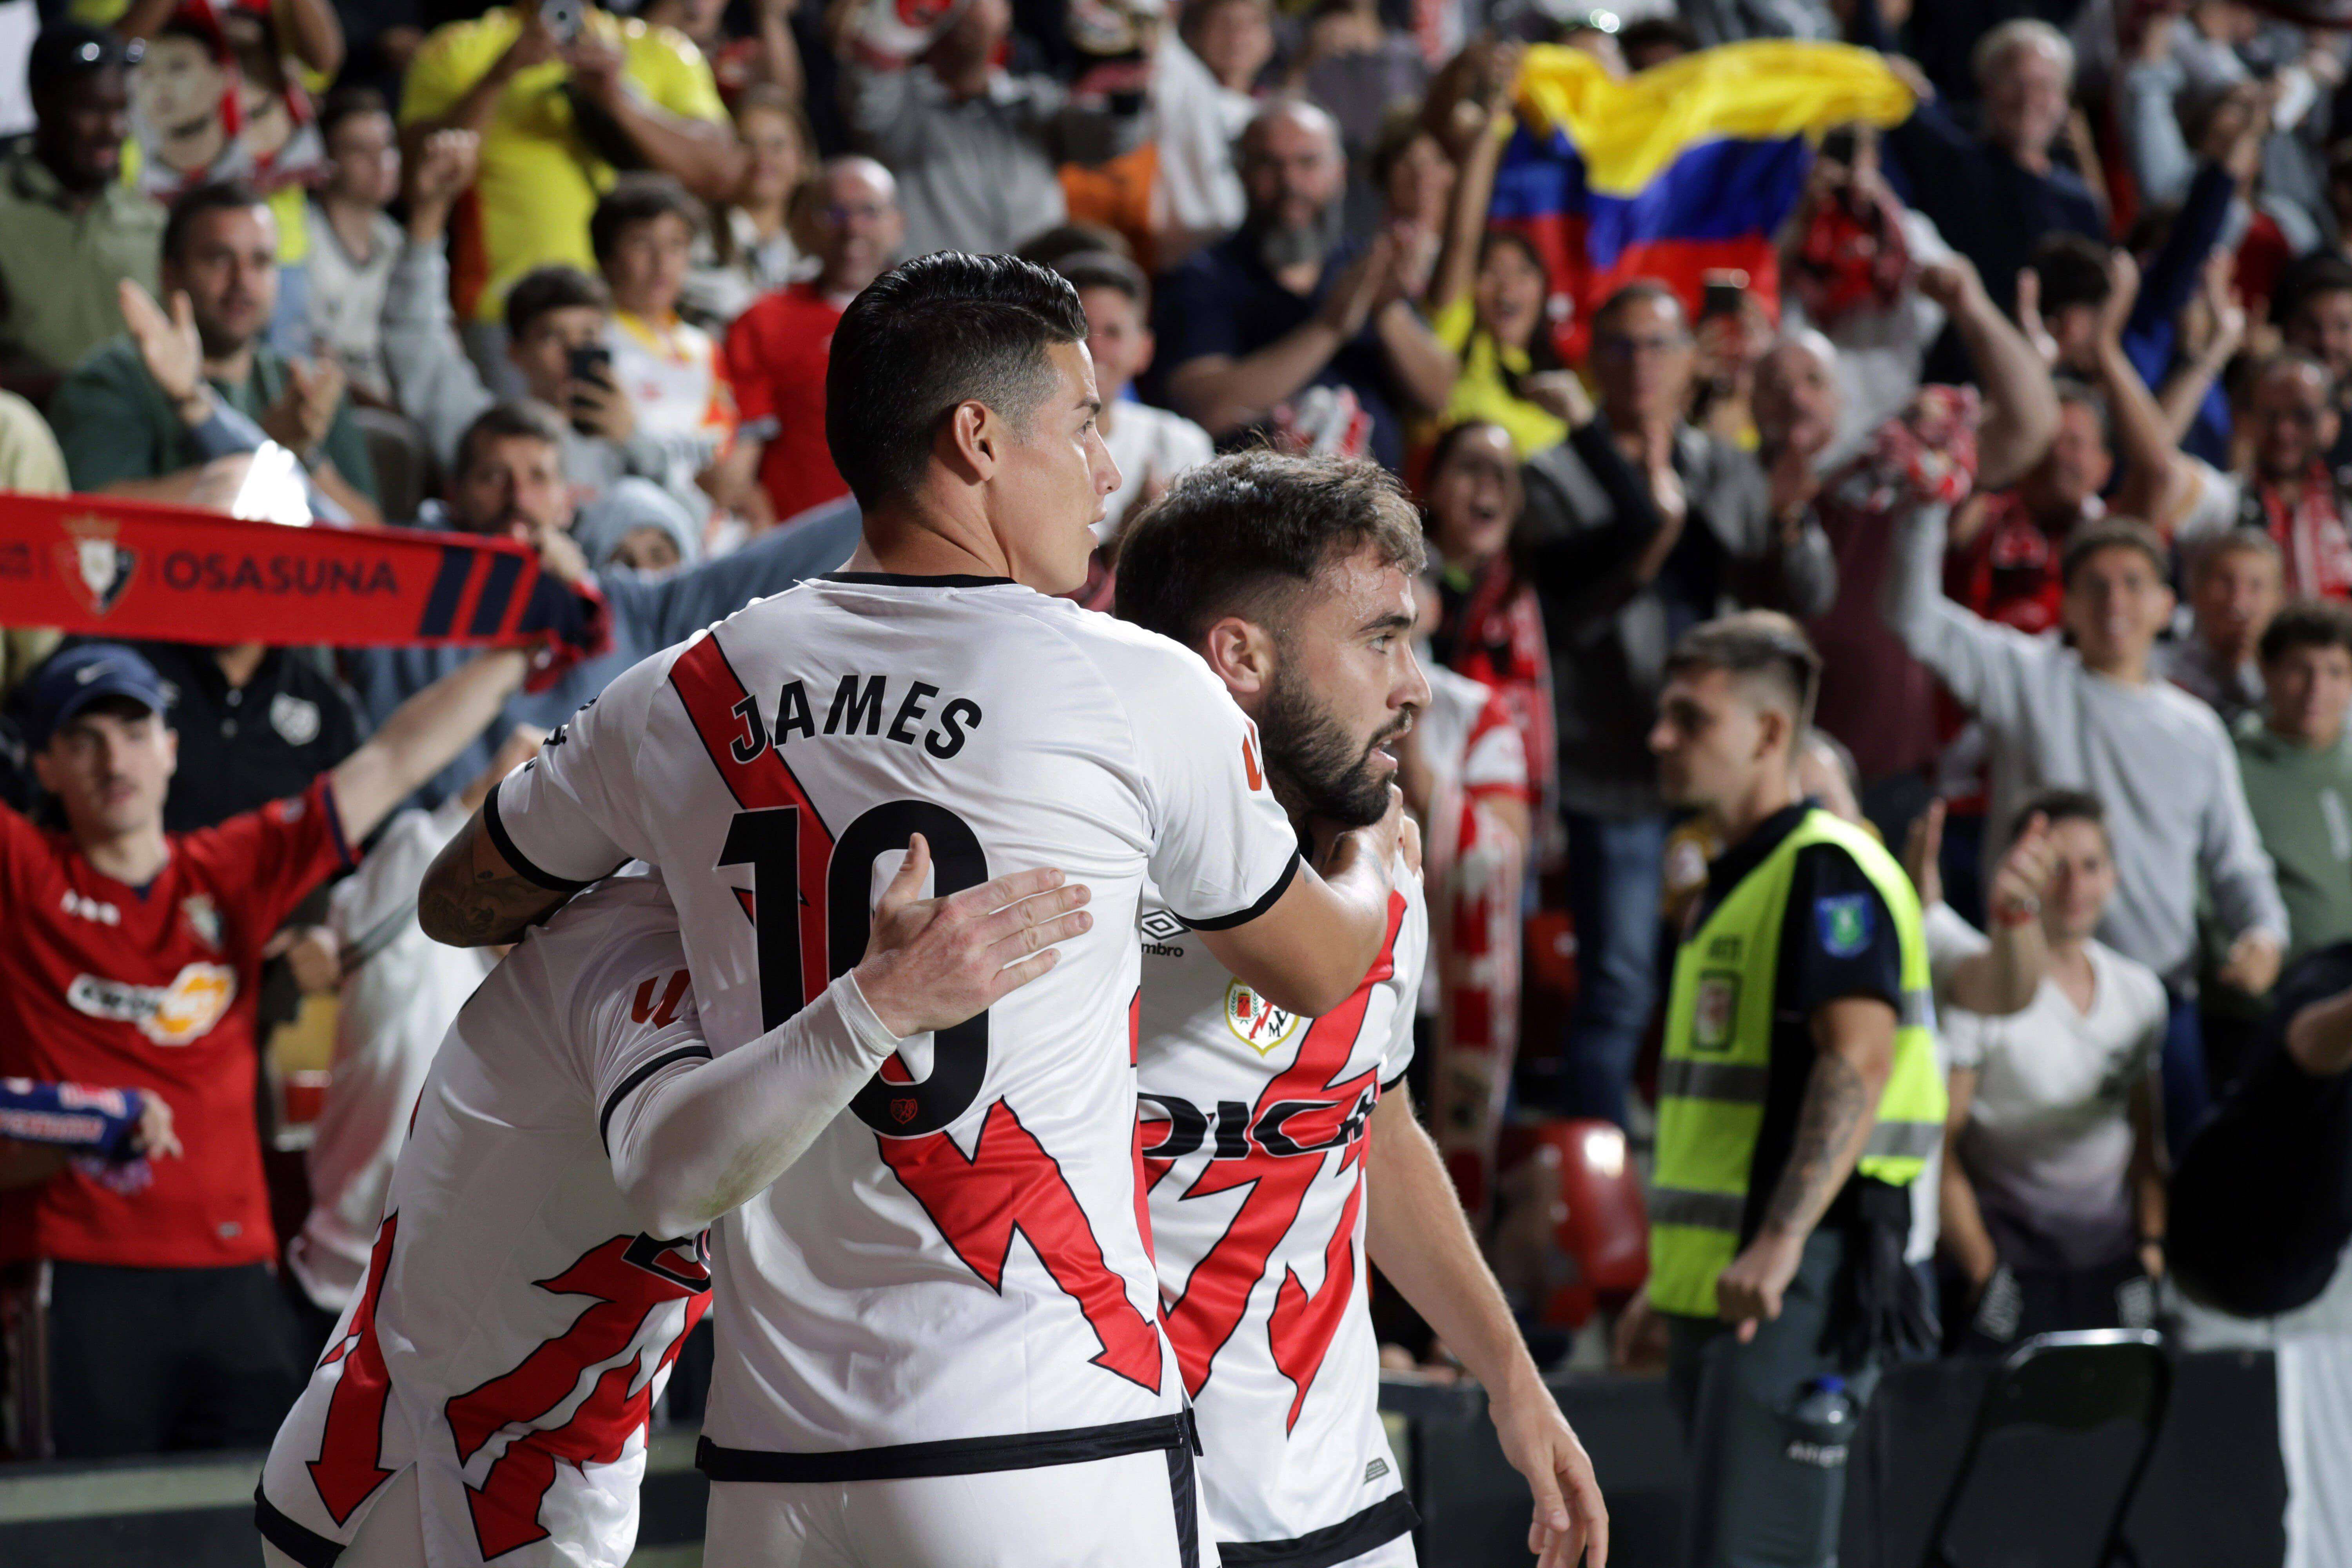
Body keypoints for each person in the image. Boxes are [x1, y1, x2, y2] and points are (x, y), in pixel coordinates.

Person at [415, 252, 1406, 1564]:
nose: (1110, 469)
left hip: (774, 1467)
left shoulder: (683, 691)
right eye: (1087, 423)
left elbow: (464, 898)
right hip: (1050, 1438)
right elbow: (1321, 971)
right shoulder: (1134, 685)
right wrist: (1376, 855)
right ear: (978, 440)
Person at [259, 847, 1089, 1568]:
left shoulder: (742, 953)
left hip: (520, 1472)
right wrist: (883, 1004)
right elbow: (673, 1179)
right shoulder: (644, 938)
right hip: (427, 1486)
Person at [1115, 452, 1608, 1568]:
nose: (1418, 686)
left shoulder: (1379, 865)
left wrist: (1511, 1378)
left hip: (1339, 1493)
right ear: (1240, 656)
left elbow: (1373, 1129)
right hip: (1120, 1498)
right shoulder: (1094, 887)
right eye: (1381, 639)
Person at [0, 639, 534, 1458]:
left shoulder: (224, 870)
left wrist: (524, 648)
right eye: (83, 738)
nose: (116, 757)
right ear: (44, 763)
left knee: (251, 1528)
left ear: (173, 746)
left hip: (238, 1282)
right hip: (83, 1275)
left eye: (135, 728)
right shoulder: (25, 875)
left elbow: (391, 759)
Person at [1613, 611, 1946, 1568]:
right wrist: (1666, 1284)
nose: (1660, 737)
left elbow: (1858, 1061)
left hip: (1802, 1276)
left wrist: (1784, 1238)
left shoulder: (1827, 871)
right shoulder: (1730, 881)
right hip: (1730, 1282)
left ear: (1768, 734)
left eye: (1690, 718)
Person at [1517, 280, 1838, 1129]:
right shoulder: (1551, 474)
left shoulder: (1727, 467)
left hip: (1729, 776)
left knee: (1745, 974)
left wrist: (1794, 518)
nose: (1640, 365)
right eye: (1619, 346)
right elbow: (1567, 610)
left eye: (1659, 345)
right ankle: (1599, 1192)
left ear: (1693, 359)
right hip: (1614, 769)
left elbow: (1800, 595)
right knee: (1620, 986)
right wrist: (1649, 531)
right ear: (1592, 360)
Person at [1883, 509, 2289, 1150]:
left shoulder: (2197, 731)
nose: (2114, 600)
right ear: (2066, 604)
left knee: (2174, 1180)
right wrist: (1928, 504)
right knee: (2032, 1184)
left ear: (2165, 604)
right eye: (2095, 585)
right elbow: (1912, 617)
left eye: (2133, 583)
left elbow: (2235, 863)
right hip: (2034, 995)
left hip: (2161, 998)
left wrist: (2264, 935)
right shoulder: (2027, 677)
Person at [340, 399, 860, 809]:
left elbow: (789, 555)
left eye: (539, 478)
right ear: (453, 497)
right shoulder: (394, 602)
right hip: (429, 899)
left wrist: (905, 478)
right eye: (492, 478)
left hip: (594, 900)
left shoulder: (635, 607)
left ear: (568, 502)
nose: (518, 499)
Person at [280, 731, 534, 1345]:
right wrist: (494, 788)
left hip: (486, 1325)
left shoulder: (572, 983)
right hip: (346, 1302)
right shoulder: (409, 943)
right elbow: (421, 852)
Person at [1936, 791, 2169, 1352]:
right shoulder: (1983, 993)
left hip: (2112, 1259)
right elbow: (1942, 1144)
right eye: (2055, 867)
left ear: (2113, 877)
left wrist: (2151, 1247)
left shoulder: (2139, 993)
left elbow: (2146, 1136)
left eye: (2091, 866)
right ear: (2023, 874)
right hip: (2010, 1265)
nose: (2074, 887)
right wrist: (1980, 1266)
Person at [397, 0, 739, 339]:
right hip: (508, 317)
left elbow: (720, 173)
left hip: (635, 320)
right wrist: (501, 74)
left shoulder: (660, 48)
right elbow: (418, 178)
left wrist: (618, 101)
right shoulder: (459, 47)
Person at [49, 181, 380, 522]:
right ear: (170, 273)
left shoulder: (304, 388)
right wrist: (266, 457)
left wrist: (303, 457)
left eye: (261, 261)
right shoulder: (111, 380)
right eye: (219, 259)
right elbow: (92, 514)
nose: (242, 281)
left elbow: (374, 536)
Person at [1155, 98, 1457, 472]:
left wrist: (1387, 310)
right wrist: (1327, 329)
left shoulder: (1366, 264)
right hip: (1260, 510)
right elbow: (1203, 406)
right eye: (1269, 164)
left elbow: (1440, 393)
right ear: (1241, 172)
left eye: (1308, 163)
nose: (1290, 183)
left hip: (1375, 506)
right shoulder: (1203, 277)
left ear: (1340, 172)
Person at [835, 0, 1144, 260]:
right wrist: (905, 20)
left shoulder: (1035, 102)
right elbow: (867, 91)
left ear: (1007, 14)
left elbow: (1108, 139)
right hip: (936, 303)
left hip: (1033, 297)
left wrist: (1125, 71)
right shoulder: (900, 105)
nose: (970, 11)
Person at [724, 155, 905, 527]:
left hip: (909, 553)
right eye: (835, 213)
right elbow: (737, 456)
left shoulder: (937, 319)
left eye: (869, 211)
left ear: (897, 224)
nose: (853, 228)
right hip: (799, 550)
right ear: (805, 224)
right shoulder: (764, 321)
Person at [1884, 21, 2105, 320]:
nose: (2029, 100)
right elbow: (1899, 87)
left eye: (2044, 86)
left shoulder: (2081, 204)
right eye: (2014, 82)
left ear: (2065, 99)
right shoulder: (1950, 163)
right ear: (1986, 88)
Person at [0, 24, 165, 403]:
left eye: (121, 109)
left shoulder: (151, 223)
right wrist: (76, 391)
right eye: (91, 110)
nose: (113, 130)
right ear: (43, 103)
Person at [591, 173, 743, 527]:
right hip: (640, 529)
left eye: (676, 245)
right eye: (642, 244)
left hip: (715, 533)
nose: (662, 262)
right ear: (607, 257)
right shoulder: (596, 344)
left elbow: (724, 446)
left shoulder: (706, 346)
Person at [1054, 249, 1214, 543]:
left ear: (1144, 350)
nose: (1094, 350)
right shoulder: (1023, 449)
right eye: (1078, 331)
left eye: (1113, 333)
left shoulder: (1180, 446)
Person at [2237, 600, 2352, 965]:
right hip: (2276, 997)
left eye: (2336, 672)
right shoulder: (2232, 765)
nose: (2316, 689)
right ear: (2267, 671)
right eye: (2300, 670)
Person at [304, 85, 405, 404]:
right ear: (327, 162)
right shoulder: (304, 237)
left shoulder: (396, 242)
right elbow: (310, 350)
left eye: (387, 146)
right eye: (360, 150)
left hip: (392, 401)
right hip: (323, 398)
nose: (381, 161)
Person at [682, 85, 813, 327]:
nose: (763, 159)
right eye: (747, 143)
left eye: (777, 145)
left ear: (803, 160)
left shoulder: (819, 252)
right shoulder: (692, 240)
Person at [2158, 528, 2283, 726]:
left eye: (2256, 586)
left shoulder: (2298, 680)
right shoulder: (2158, 670)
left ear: (2278, 600)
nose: (2238, 602)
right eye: (2225, 582)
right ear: (2195, 589)